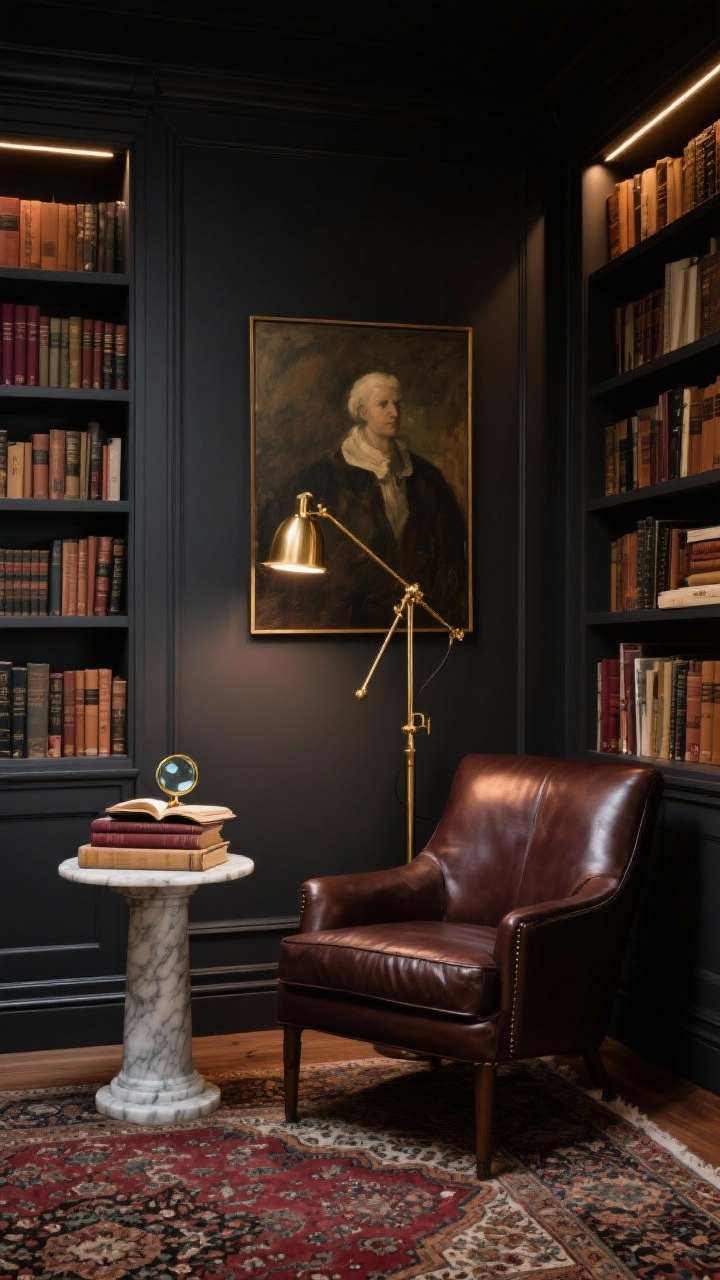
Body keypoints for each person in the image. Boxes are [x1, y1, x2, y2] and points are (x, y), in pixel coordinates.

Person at [260, 371, 468, 631]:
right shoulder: (324, 475)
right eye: (383, 404)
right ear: (362, 412)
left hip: (415, 620)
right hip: (345, 618)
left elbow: (450, 552)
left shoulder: (426, 477)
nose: (394, 412)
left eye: (397, 404)